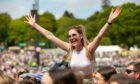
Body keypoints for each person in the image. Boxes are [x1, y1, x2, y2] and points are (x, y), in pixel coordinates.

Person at [25, 7, 121, 79]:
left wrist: (109, 22)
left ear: (81, 36)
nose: (71, 38)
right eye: (70, 36)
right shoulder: (69, 48)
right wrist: (35, 25)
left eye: (74, 35)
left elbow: (99, 35)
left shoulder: (89, 49)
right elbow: (50, 36)